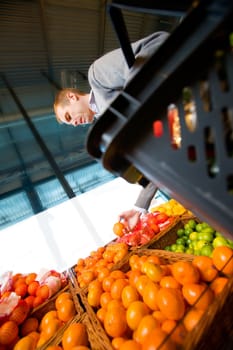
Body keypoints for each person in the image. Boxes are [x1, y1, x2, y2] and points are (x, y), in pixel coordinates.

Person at [54, 31, 169, 228]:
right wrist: (139, 208)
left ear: (72, 97)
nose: (73, 123)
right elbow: (159, 163)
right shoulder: (111, 132)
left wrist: (140, 114)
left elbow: (155, 45)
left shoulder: (97, 76)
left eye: (68, 116)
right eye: (69, 123)